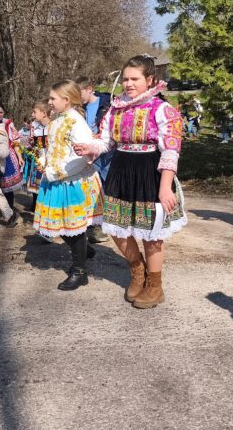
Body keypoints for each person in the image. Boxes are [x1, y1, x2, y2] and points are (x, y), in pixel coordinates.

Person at [75, 55, 187, 309]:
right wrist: (90, 147)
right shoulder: (115, 108)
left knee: (151, 233)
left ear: (150, 80)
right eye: (125, 79)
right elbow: (106, 141)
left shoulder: (161, 109)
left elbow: (171, 149)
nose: (129, 83)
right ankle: (138, 272)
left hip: (150, 172)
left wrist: (165, 186)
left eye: (135, 78)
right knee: (117, 228)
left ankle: (155, 286)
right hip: (121, 171)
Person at [33, 81, 103, 291]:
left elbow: (82, 157)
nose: (49, 102)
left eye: (53, 98)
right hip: (57, 180)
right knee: (59, 225)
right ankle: (84, 250)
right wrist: (44, 161)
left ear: (66, 100)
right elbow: (52, 147)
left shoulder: (76, 122)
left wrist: (55, 172)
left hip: (72, 181)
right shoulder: (57, 119)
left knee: (74, 227)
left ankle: (79, 271)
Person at [76, 76, 113, 244]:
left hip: (106, 153)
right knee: (93, 188)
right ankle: (95, 224)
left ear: (89, 89)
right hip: (89, 152)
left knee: (106, 186)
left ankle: (105, 225)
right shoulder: (80, 109)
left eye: (80, 93)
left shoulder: (107, 105)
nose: (78, 97)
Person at [0, 101, 24, 208]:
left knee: (7, 188)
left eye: (1, 112)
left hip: (8, 157)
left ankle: (10, 211)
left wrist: (20, 157)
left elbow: (15, 142)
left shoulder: (8, 124)